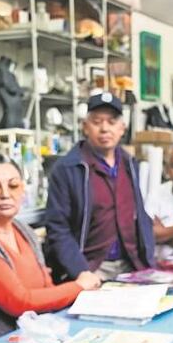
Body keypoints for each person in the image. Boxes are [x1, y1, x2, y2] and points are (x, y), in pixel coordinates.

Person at [0, 154, 101, 343]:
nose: (5, 194)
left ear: (23, 190)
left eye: (13, 185)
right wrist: (79, 286)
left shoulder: (24, 230)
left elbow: (46, 289)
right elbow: (20, 302)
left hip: (28, 341)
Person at [44, 92, 154, 281]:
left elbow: (140, 215)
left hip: (132, 264)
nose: (104, 129)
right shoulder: (68, 169)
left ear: (122, 128)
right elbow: (57, 228)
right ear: (85, 127)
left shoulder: (130, 165)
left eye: (111, 122)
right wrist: (80, 271)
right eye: (97, 122)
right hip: (91, 268)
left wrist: (148, 257)